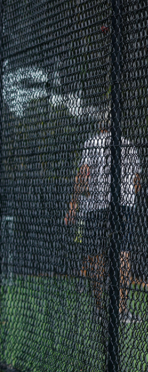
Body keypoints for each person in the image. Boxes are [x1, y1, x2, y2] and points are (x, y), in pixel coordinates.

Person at [65, 119, 142, 323]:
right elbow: (136, 181)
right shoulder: (128, 145)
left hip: (96, 205)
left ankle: (100, 310)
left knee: (95, 256)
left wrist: (74, 202)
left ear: (100, 125)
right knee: (123, 253)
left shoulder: (92, 142)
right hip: (124, 204)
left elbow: (83, 174)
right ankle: (121, 310)